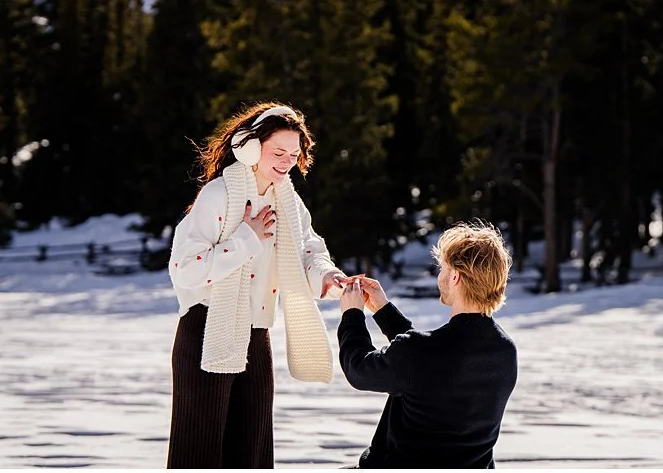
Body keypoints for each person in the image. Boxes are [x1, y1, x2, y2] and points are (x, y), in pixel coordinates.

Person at [167, 103, 354, 467]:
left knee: (251, 453)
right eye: (278, 152)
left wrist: (327, 275)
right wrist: (245, 238)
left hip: (256, 334)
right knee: (198, 455)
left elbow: (309, 251)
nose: (287, 162)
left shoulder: (289, 202)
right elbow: (185, 269)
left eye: (294, 154)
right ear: (250, 147)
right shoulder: (218, 196)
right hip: (207, 331)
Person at [338, 222, 520, 468]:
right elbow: (431, 367)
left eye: (442, 268)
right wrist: (384, 311)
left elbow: (359, 369)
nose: (440, 275)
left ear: (455, 275)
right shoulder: (505, 351)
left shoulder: (420, 353)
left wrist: (352, 315)